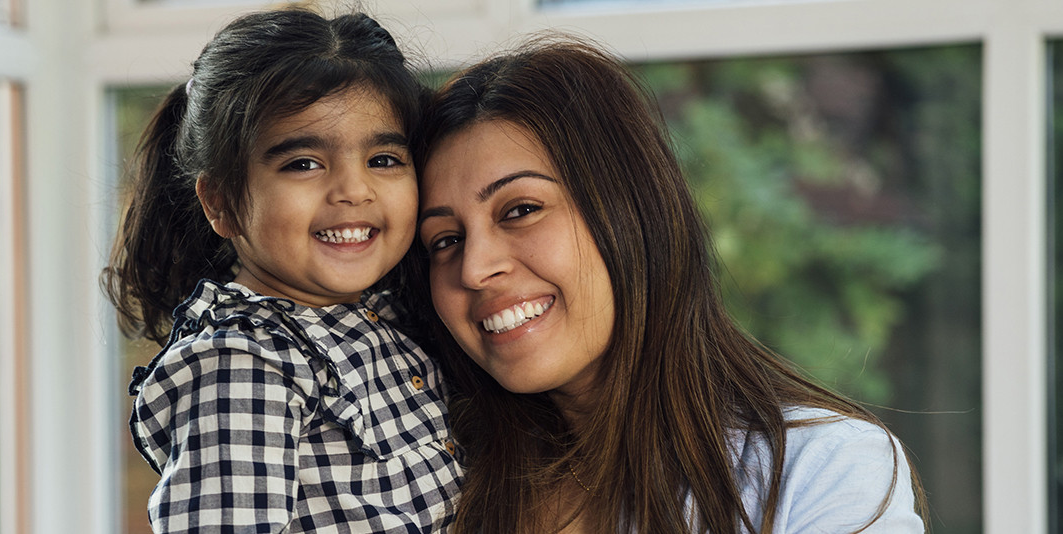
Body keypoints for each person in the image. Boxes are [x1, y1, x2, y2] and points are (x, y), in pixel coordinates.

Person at [411, 38, 928, 533]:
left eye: (521, 210)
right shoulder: (433, 484)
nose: (474, 268)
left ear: (631, 212)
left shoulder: (822, 470)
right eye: (445, 240)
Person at [101, 8, 460, 533]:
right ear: (220, 202)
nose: (354, 190)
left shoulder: (397, 317)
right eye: (303, 164)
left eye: (383, 159)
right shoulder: (241, 363)